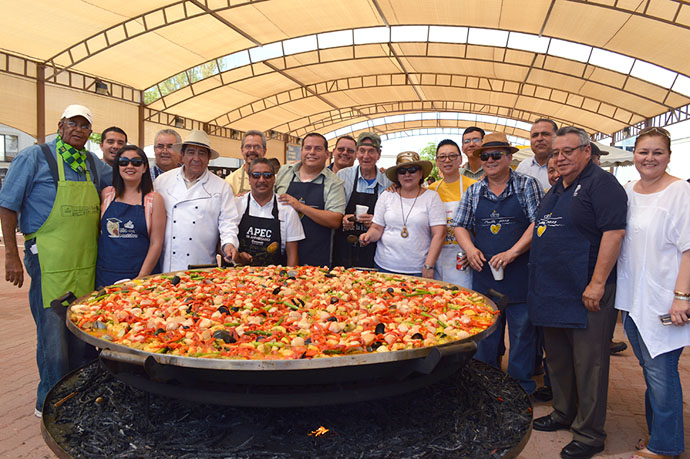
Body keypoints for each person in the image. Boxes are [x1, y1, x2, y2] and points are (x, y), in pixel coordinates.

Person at [0, 104, 111, 417]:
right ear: (61, 125)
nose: (78, 130)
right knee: (52, 335)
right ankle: (49, 401)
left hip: (85, 260)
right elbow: (7, 206)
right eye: (73, 124)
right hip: (48, 258)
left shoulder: (93, 163)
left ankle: (79, 394)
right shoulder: (34, 157)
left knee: (81, 331)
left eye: (84, 126)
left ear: (91, 133)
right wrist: (11, 254)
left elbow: (122, 183)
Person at [529, 126, 627, 459]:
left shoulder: (603, 185)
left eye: (568, 151)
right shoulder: (557, 187)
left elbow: (614, 234)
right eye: (556, 153)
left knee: (589, 364)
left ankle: (588, 434)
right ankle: (563, 412)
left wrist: (598, 282)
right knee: (558, 360)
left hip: (586, 289)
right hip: (553, 290)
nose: (560, 157)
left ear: (587, 151)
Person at [614, 126, 690, 459]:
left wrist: (682, 297)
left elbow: (689, 249)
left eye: (657, 152)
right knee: (650, 370)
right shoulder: (628, 190)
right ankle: (657, 433)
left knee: (661, 372)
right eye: (644, 152)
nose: (649, 158)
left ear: (668, 156)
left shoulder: (680, 192)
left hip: (664, 300)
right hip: (632, 300)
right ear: (634, 156)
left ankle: (665, 447)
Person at [452, 132, 542, 395]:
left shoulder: (527, 185)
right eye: (485, 156)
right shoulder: (474, 190)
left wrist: (513, 252)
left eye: (496, 155)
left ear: (509, 157)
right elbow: (459, 225)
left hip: (520, 274)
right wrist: (470, 249)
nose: (490, 160)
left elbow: (537, 223)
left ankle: (519, 390)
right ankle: (486, 387)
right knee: (486, 335)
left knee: (522, 334)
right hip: (485, 277)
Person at [155, 130, 239, 272]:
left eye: (201, 153)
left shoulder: (221, 186)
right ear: (182, 155)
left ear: (209, 157)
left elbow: (228, 222)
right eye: (191, 152)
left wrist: (229, 244)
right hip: (168, 264)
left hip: (202, 263)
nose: (196, 158)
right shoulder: (162, 181)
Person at [360, 151, 446, 278]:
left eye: (412, 170)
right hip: (384, 267)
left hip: (417, 269)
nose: (407, 174)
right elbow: (377, 228)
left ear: (421, 173)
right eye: (402, 171)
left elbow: (439, 234)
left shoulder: (432, 197)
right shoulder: (387, 195)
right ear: (397, 175)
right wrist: (368, 236)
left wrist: (428, 266)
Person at [96, 146, 166, 288]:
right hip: (107, 274)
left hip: (142, 276)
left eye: (136, 162)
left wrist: (140, 279)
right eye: (123, 162)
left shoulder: (154, 199)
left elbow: (156, 243)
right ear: (117, 167)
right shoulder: (106, 195)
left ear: (144, 167)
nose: (130, 166)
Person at [275, 132, 346, 267]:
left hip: (315, 255)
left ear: (327, 154)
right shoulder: (284, 172)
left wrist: (300, 206)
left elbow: (335, 220)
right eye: (307, 148)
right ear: (301, 151)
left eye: (318, 149)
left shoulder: (334, 183)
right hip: (279, 253)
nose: (311, 152)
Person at [333, 132, 392, 268]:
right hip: (344, 245)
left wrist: (377, 221)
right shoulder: (343, 175)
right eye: (362, 151)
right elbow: (333, 207)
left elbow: (395, 218)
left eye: (371, 151)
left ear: (379, 154)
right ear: (357, 153)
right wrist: (343, 217)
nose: (366, 156)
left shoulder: (388, 181)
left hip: (374, 248)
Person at [234, 158, 304, 267]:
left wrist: (290, 280)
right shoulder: (236, 205)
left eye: (267, 175)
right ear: (249, 179)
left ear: (274, 178)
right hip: (238, 276)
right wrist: (238, 256)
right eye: (256, 175)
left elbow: (292, 256)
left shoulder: (287, 210)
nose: (261, 180)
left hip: (273, 279)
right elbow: (222, 244)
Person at [429, 139, 476, 288]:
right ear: (437, 161)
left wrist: (473, 251)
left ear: (460, 159)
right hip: (437, 258)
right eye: (442, 157)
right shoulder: (431, 190)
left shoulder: (473, 187)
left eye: (452, 156)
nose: (447, 160)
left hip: (463, 258)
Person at [516, 118, 558, 190]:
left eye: (545, 134)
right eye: (535, 135)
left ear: (557, 137)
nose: (539, 138)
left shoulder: (566, 166)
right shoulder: (523, 167)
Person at [225, 130, 267, 195]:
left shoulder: (272, 180)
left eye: (257, 147)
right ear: (242, 150)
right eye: (248, 146)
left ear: (264, 151)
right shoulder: (230, 181)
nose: (252, 150)